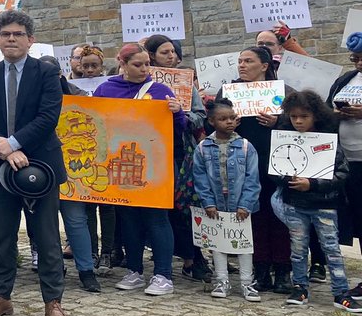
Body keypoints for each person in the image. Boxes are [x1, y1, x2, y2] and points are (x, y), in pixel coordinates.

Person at [0, 9, 69, 316]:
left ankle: (52, 302)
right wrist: (3, 149)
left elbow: (48, 117)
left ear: (30, 39)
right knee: (2, 235)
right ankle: (1, 297)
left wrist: (14, 143)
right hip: (0, 166)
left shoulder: (45, 74)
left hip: (41, 165)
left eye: (18, 34)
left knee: (46, 235)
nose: (11, 39)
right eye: (5, 34)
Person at [97, 43, 185, 297]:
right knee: (129, 218)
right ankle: (134, 270)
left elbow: (179, 131)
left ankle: (163, 274)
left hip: (156, 165)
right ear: (122, 64)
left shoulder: (160, 91)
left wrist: (177, 114)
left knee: (157, 219)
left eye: (147, 63)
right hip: (121, 163)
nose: (145, 69)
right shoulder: (106, 89)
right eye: (138, 64)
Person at [270, 92, 360, 312]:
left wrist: (313, 184)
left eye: (304, 116)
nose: (298, 121)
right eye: (293, 117)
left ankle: (340, 292)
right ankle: (300, 287)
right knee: (298, 249)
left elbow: (341, 173)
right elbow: (274, 169)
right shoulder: (285, 140)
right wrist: (287, 179)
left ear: (316, 116)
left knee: (331, 248)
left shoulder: (327, 141)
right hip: (295, 204)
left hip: (324, 205)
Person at [217, 46, 291, 294]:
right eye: (239, 61)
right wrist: (229, 124)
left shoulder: (282, 92)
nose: (242, 65)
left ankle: (282, 270)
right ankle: (260, 269)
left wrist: (277, 121)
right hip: (242, 166)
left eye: (248, 61)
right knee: (252, 217)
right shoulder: (228, 93)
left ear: (264, 65)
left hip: (276, 163)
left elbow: (301, 123)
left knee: (279, 217)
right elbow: (215, 123)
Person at [143, 34, 209, 283]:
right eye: (165, 52)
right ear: (151, 56)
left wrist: (180, 113)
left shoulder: (185, 83)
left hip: (181, 150)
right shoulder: (143, 83)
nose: (171, 56)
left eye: (173, 52)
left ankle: (194, 257)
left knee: (185, 206)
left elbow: (200, 117)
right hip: (150, 150)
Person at [192, 98, 261, 301]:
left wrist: (245, 204)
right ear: (212, 121)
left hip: (240, 203)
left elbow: (252, 178)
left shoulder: (246, 147)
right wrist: (208, 202)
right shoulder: (203, 148)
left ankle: (247, 282)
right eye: (223, 119)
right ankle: (221, 280)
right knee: (217, 242)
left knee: (243, 243)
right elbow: (200, 177)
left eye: (232, 118)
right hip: (216, 203)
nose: (229, 122)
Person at [329, 33, 362, 298]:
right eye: (354, 58)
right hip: (350, 162)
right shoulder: (345, 81)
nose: (358, 63)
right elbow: (327, 111)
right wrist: (337, 113)